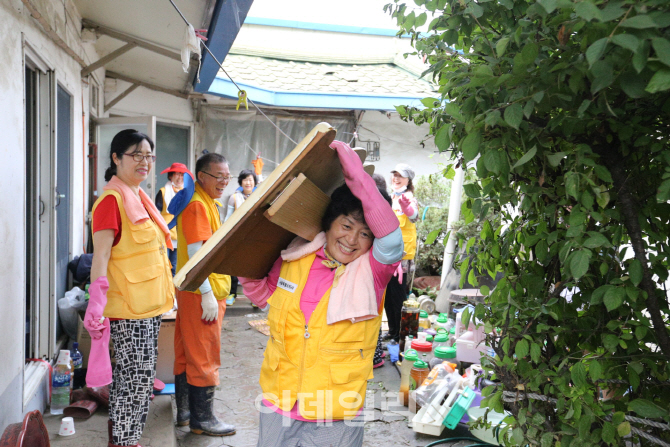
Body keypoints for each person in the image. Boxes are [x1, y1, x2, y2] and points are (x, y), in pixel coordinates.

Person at [239, 141, 404, 447]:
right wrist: (240, 258)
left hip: (336, 413)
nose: (352, 239)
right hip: (280, 402)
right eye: (346, 225)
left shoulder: (372, 272)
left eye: (365, 233)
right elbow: (266, 296)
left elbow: (393, 238)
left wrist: (357, 176)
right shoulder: (294, 257)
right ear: (329, 223)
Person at [86, 129, 174, 447]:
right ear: (116, 158)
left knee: (142, 381)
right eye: (136, 154)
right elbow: (102, 257)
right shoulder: (111, 201)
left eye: (148, 155)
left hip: (148, 308)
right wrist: (96, 304)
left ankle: (126, 437)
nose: (144, 161)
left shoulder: (138, 196)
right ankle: (123, 442)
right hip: (128, 310)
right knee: (132, 383)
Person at [170, 152, 235, 437]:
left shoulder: (206, 201)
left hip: (191, 290)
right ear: (201, 176)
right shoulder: (198, 204)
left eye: (226, 176)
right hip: (201, 292)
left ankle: (185, 413)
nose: (224, 181)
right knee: (205, 355)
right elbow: (196, 252)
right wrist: (207, 293)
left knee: (187, 351)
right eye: (218, 176)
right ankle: (202, 420)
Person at [381, 163, 419, 344]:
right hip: (388, 253)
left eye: (400, 176)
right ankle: (393, 330)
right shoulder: (391, 196)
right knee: (388, 295)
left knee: (398, 295)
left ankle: (401, 335)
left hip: (402, 257)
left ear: (408, 180)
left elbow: (414, 216)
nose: (396, 179)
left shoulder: (408, 197)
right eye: (394, 174)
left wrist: (407, 208)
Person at [224, 169, 258, 305]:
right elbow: (228, 218)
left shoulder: (259, 196)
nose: (248, 182)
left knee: (254, 267)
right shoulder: (234, 197)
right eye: (245, 180)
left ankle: (255, 297)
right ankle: (232, 293)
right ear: (241, 182)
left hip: (255, 236)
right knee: (234, 266)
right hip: (237, 236)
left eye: (250, 180)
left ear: (254, 182)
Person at [154, 163, 191, 276]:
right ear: (170, 176)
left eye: (182, 175)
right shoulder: (163, 192)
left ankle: (173, 292)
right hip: (165, 233)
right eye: (177, 174)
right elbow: (156, 213)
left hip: (181, 234)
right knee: (163, 264)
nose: (180, 177)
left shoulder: (188, 193)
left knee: (176, 266)